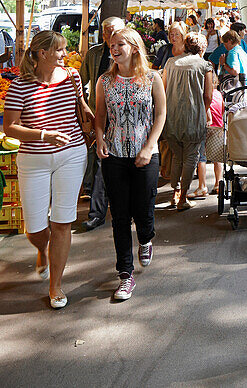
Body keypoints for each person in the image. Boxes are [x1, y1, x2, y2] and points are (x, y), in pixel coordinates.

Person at [2, 31, 89, 309]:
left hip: (72, 155)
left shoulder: (73, 77)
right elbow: (10, 127)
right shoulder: (19, 86)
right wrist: (44, 135)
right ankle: (42, 248)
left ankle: (56, 286)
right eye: (61, 50)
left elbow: (79, 106)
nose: (66, 54)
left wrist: (89, 113)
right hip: (34, 160)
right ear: (43, 54)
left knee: (63, 222)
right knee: (35, 227)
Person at [95, 27, 166, 301]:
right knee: (120, 216)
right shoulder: (104, 81)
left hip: (145, 154)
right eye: (112, 45)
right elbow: (100, 115)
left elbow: (161, 114)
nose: (114, 49)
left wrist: (149, 147)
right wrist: (99, 138)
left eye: (120, 44)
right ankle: (125, 274)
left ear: (134, 47)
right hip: (114, 156)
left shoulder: (152, 78)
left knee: (144, 210)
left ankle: (146, 239)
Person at [80, 16, 125, 231]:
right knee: (100, 160)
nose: (109, 35)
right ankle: (97, 213)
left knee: (124, 164)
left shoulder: (130, 54)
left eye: (113, 31)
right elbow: (81, 82)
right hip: (100, 115)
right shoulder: (94, 53)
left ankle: (126, 211)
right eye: (106, 32)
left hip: (124, 118)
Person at [161, 31, 213, 209]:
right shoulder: (205, 65)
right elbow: (208, 95)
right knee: (191, 157)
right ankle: (183, 197)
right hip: (193, 119)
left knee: (177, 157)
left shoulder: (170, 63)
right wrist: (202, 111)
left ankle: (174, 193)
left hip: (171, 118)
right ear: (203, 47)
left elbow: (163, 89)